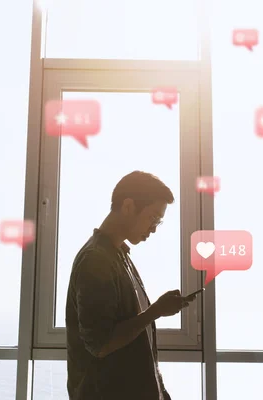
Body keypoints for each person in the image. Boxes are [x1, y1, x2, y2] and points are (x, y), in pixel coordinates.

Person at [66, 171, 197, 400]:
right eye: (153, 218)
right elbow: (101, 343)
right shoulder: (96, 260)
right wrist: (155, 311)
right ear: (128, 206)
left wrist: (160, 391)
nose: (154, 228)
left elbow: (139, 342)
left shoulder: (119, 255)